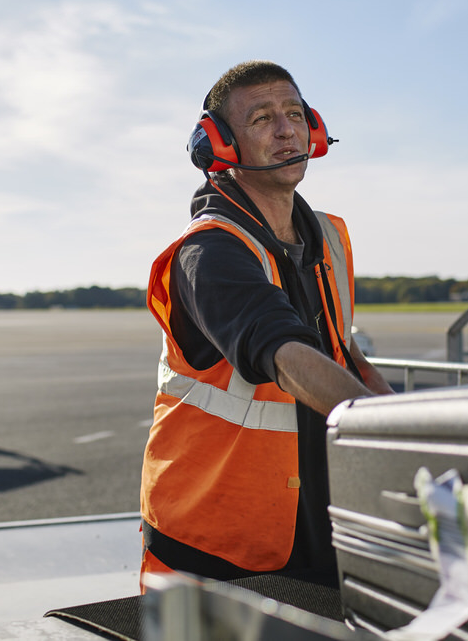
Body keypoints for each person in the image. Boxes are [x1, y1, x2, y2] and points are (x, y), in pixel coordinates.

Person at [140, 60, 393, 589]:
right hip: (217, 547)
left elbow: (340, 352)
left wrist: (407, 421)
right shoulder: (209, 251)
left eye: (295, 114)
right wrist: (380, 428)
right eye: (261, 119)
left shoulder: (324, 236)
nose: (285, 130)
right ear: (219, 144)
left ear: (314, 129)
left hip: (314, 527)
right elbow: (283, 352)